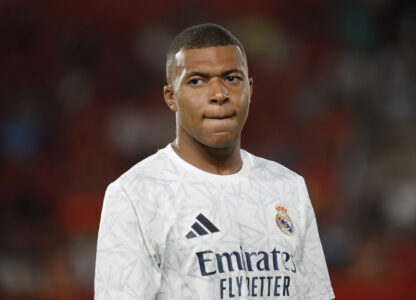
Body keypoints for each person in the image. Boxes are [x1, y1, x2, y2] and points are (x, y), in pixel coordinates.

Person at [94, 23, 335, 300]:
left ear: (250, 88)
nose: (219, 94)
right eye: (197, 81)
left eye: (232, 78)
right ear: (171, 97)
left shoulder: (289, 188)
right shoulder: (135, 195)